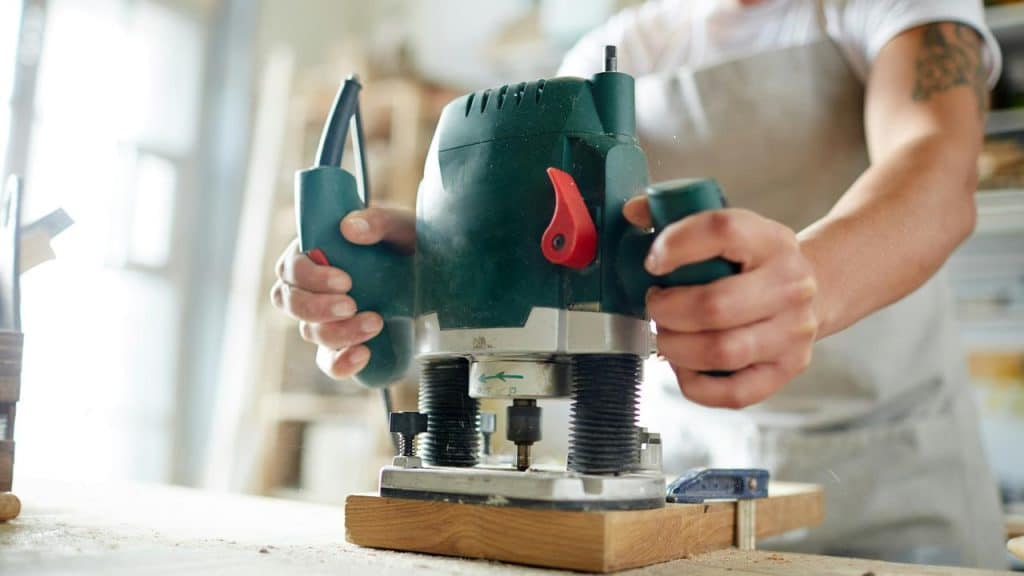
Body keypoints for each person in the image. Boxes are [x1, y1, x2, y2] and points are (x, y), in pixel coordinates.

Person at [271, 0, 1007, 568]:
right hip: (681, 463)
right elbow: (557, 231)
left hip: (892, 467)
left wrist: (807, 281)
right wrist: (447, 259)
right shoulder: (614, 48)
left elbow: (936, 173)